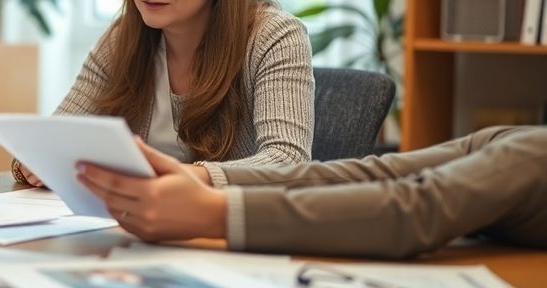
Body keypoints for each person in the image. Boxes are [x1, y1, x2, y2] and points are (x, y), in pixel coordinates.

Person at [13, 0, 314, 187]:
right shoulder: (123, 38)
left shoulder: (275, 37)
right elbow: (52, 137)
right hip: (135, 224)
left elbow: (287, 161)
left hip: (232, 228)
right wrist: (31, 162)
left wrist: (180, 177)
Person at [77, 126, 547, 259]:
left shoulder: (532, 153)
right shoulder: (520, 143)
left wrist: (213, 213)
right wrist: (205, 179)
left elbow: (416, 210)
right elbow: (376, 174)